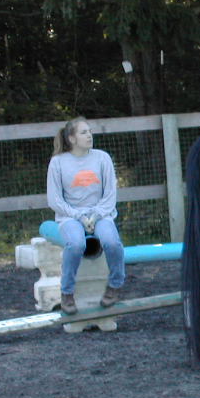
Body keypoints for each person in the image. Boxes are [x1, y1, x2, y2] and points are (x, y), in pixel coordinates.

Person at [47, 116, 125, 314]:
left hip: (101, 215)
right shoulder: (57, 162)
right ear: (72, 139)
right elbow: (55, 200)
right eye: (84, 132)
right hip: (70, 217)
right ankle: (67, 293)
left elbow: (110, 194)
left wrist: (96, 216)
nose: (89, 135)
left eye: (90, 131)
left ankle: (115, 285)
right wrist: (79, 217)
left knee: (112, 243)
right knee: (76, 245)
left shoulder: (102, 158)